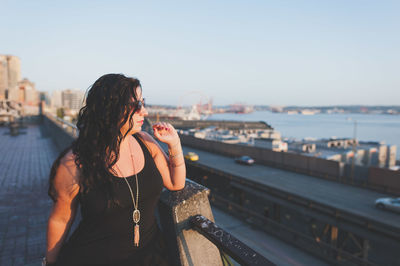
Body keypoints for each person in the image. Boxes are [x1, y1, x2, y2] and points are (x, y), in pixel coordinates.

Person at [44, 73, 186, 266]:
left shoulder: (146, 142)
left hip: (150, 256)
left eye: (143, 103)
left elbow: (176, 183)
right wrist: (50, 263)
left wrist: (175, 144)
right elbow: (60, 220)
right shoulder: (76, 163)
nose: (143, 112)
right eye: (136, 105)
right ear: (109, 109)